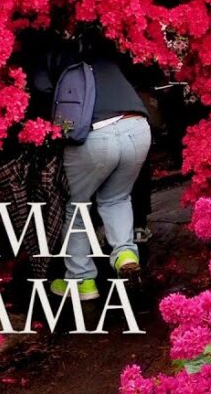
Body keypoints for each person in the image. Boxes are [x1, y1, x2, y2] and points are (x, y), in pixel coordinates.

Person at [38, 29, 152, 300]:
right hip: (137, 127)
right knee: (117, 198)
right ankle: (124, 253)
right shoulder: (102, 51)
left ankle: (81, 280)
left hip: (96, 134)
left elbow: (41, 88)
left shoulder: (52, 54)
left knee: (77, 204)